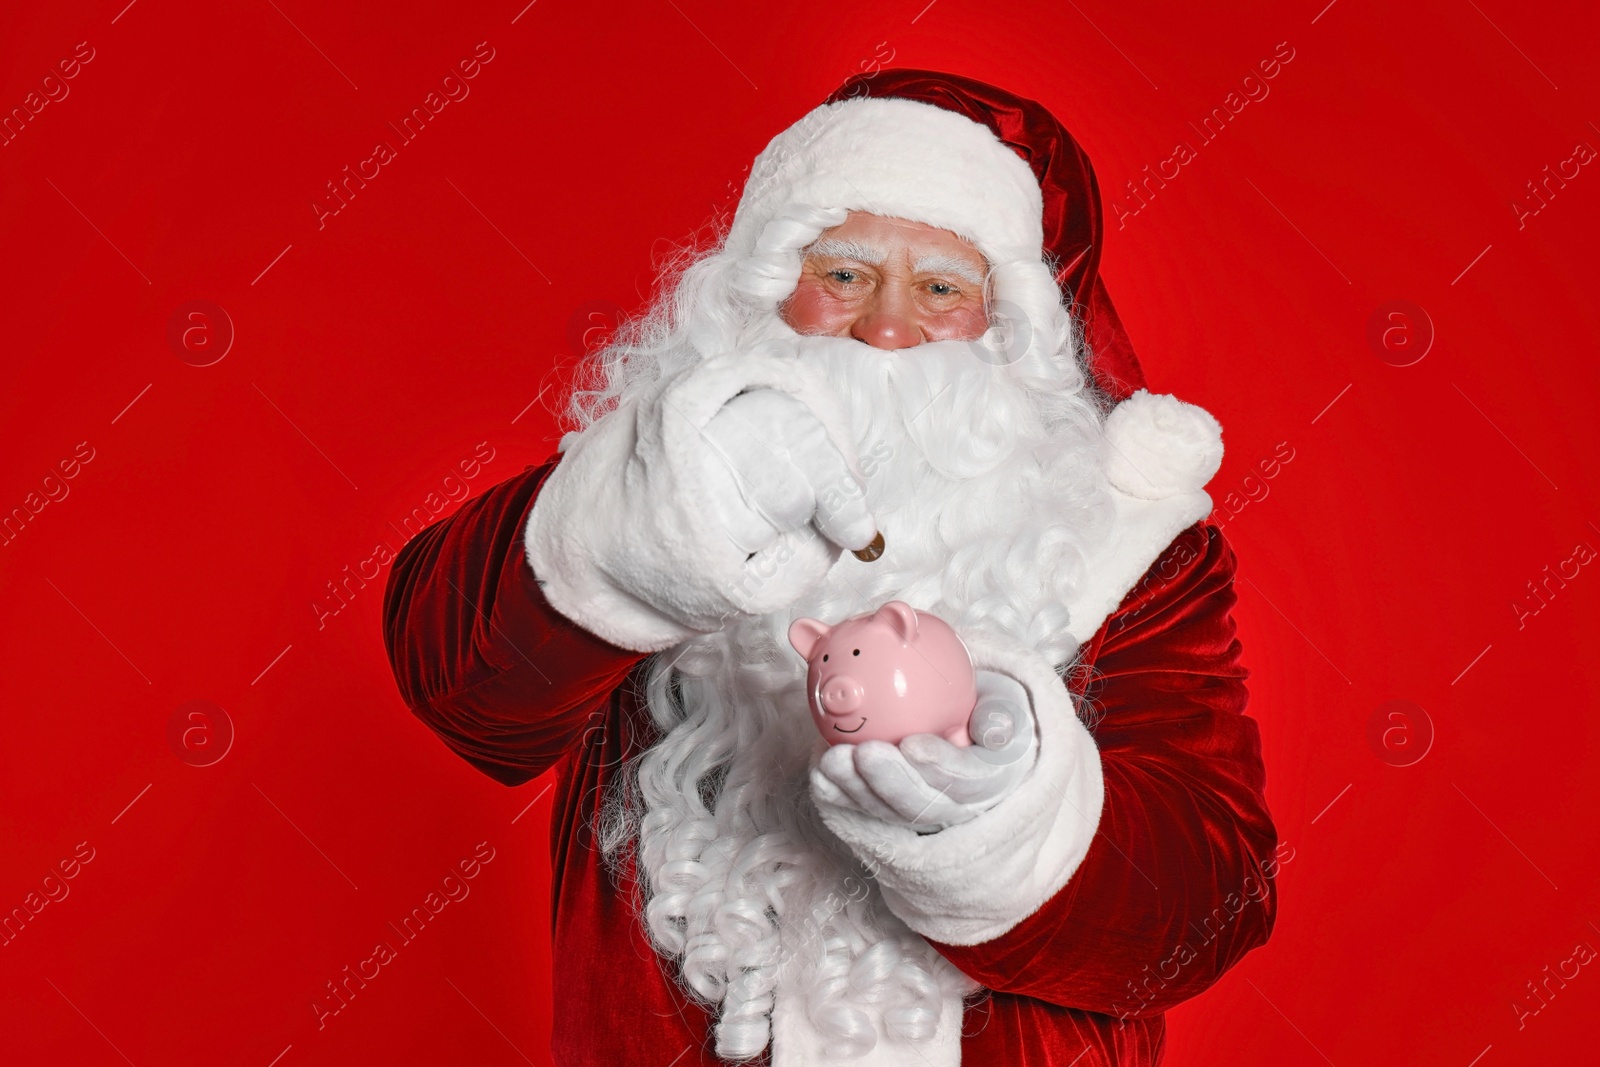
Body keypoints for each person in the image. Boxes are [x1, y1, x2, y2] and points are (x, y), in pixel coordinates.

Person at [382, 69, 1279, 1066]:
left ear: (1009, 327)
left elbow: (1209, 905)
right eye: (844, 274)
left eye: (940, 286)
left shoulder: (1135, 548)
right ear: (768, 289)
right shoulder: (673, 470)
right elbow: (461, 684)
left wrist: (1004, 822)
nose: (885, 327)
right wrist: (637, 532)